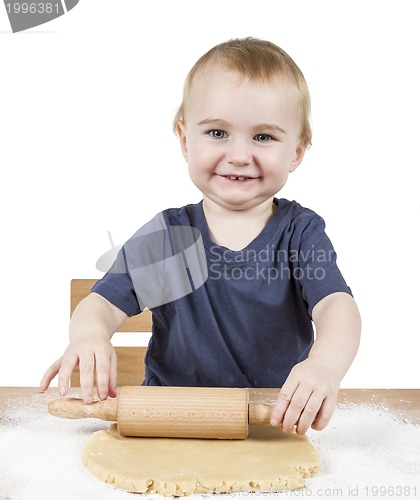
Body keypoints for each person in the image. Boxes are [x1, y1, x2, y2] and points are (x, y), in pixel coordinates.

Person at [40, 37, 361, 435]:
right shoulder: (171, 237)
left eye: (263, 137)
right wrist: (89, 336)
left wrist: (324, 365)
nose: (240, 155)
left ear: (297, 150)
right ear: (185, 139)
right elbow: (101, 306)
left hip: (270, 421)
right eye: (217, 133)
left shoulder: (299, 233)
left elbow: (336, 307)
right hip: (163, 423)